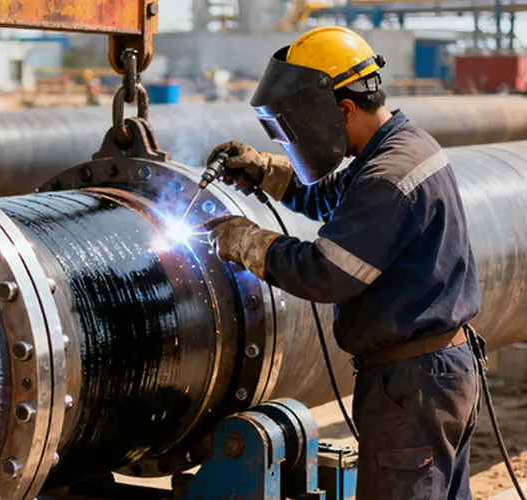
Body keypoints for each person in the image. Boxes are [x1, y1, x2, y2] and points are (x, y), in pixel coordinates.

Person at [204, 26, 481, 500]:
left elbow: (326, 272)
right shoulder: (400, 147)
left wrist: (246, 241)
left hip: (412, 387)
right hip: (436, 373)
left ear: (344, 108)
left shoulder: (388, 175)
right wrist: (266, 170)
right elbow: (334, 198)